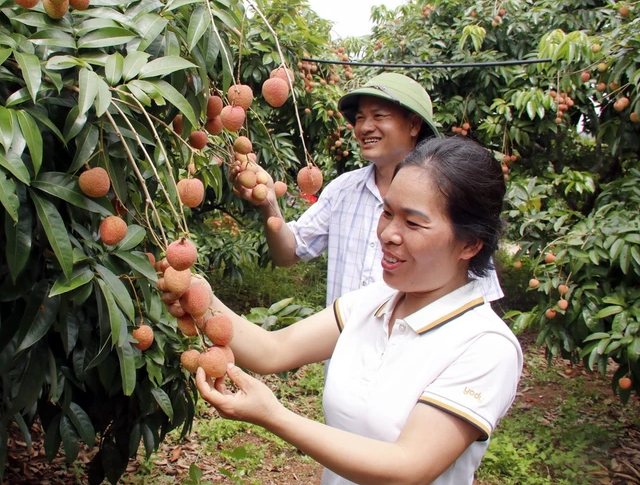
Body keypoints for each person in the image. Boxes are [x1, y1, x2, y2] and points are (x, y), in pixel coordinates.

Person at [199, 137, 523, 485]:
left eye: (412, 224)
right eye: (387, 212)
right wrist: (192, 289)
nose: (387, 234)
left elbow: (407, 466)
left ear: (470, 244)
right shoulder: (375, 299)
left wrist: (274, 415)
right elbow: (272, 351)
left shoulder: (486, 347)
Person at [231, 73, 504, 306]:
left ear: (413, 124)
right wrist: (268, 202)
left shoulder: (449, 197)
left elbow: (477, 301)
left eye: (379, 116)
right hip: (345, 360)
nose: (364, 127)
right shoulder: (343, 190)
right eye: (360, 118)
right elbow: (288, 253)